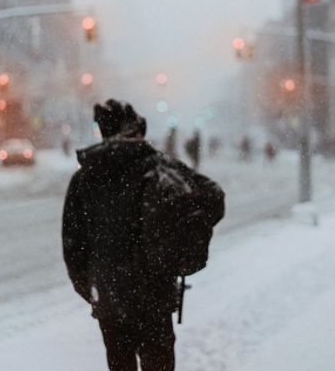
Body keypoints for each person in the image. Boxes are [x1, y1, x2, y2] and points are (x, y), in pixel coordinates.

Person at [62, 100, 223, 370]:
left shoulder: (86, 177)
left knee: (120, 363)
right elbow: (213, 197)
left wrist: (92, 290)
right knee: (158, 363)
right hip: (155, 293)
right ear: (135, 131)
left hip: (110, 297)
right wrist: (185, 243)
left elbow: (73, 245)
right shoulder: (158, 166)